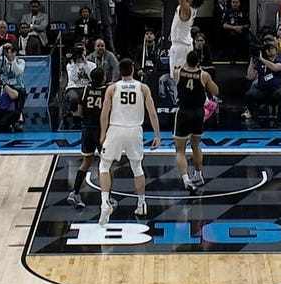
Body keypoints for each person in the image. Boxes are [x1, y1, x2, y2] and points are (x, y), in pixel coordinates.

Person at [98, 59, 161, 226]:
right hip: (135, 130)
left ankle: (105, 202)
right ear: (132, 69)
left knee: (104, 166)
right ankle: (141, 204)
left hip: (116, 129)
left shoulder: (112, 88)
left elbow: (104, 113)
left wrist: (103, 133)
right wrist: (157, 134)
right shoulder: (143, 87)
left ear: (120, 70)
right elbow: (152, 112)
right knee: (137, 167)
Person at [174, 50, 220, 191]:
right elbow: (216, 91)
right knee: (196, 145)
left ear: (187, 60)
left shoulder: (178, 72)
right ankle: (198, 175)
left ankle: (186, 179)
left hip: (183, 112)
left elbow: (180, 68)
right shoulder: (203, 75)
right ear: (199, 61)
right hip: (198, 113)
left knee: (180, 150)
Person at [67, 67, 109, 209]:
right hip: (100, 130)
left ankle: (75, 192)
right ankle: (108, 198)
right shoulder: (106, 91)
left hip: (86, 129)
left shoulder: (85, 90)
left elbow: (78, 112)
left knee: (86, 162)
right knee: (107, 164)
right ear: (103, 78)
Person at [168, 0, 205, 72]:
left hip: (181, 48)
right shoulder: (191, 8)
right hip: (182, 46)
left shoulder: (187, 9)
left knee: (177, 78)